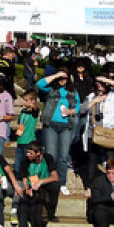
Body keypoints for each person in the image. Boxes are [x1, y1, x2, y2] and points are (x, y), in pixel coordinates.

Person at [36, 68, 80, 198]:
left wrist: (70, 112)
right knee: (51, 155)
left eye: (64, 78)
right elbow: (39, 84)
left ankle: (62, 182)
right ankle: (49, 179)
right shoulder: (51, 90)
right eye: (60, 78)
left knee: (63, 156)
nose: (62, 81)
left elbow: (77, 107)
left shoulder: (72, 92)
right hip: (51, 125)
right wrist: (56, 75)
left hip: (66, 126)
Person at [15, 141, 59, 227]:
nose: (28, 155)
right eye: (27, 153)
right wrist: (28, 189)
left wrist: (41, 181)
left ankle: (51, 213)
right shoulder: (25, 162)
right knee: (22, 207)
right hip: (31, 188)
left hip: (44, 186)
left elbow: (55, 177)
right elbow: (24, 180)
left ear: (38, 153)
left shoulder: (48, 158)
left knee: (55, 186)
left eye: (31, 153)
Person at [14, 89, 40, 175]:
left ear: (33, 100)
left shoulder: (34, 111)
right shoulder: (23, 111)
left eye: (26, 100)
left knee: (28, 165)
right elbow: (21, 124)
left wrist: (29, 104)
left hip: (29, 142)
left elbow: (35, 108)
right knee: (18, 165)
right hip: (20, 140)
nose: (24, 102)